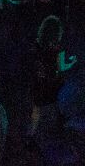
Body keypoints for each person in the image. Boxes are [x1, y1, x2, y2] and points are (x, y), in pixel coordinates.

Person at [26, 14, 76, 144]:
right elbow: (61, 67)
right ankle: (61, 126)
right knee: (58, 103)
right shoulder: (58, 47)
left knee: (36, 110)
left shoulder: (36, 44)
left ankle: (30, 135)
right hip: (53, 83)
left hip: (38, 82)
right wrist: (71, 62)